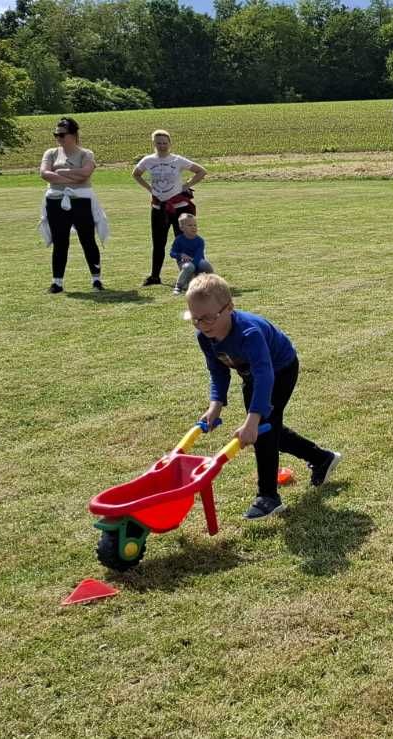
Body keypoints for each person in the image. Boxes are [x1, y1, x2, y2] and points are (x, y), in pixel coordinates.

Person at [186, 274, 342, 519]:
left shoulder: (249, 334)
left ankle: (268, 496)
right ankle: (321, 458)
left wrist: (252, 420)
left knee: (263, 429)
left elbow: (265, 376)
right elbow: (218, 371)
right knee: (266, 429)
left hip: (280, 370)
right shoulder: (205, 337)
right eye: (195, 319)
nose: (203, 325)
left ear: (229, 308)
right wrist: (215, 405)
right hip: (252, 376)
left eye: (208, 318)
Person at [38, 117, 110, 293]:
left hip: (81, 201)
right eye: (56, 134)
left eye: (62, 134)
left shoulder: (86, 154)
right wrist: (71, 178)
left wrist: (61, 172)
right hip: (55, 201)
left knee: (87, 240)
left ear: (74, 134)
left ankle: (96, 279)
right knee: (60, 241)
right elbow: (45, 174)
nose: (58, 138)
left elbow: (86, 174)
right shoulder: (51, 153)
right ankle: (57, 282)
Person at [134, 129, 206, 288]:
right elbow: (136, 174)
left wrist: (186, 185)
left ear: (170, 143)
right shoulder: (148, 160)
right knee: (158, 242)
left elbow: (201, 171)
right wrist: (149, 189)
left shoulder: (177, 160)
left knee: (184, 242)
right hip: (159, 207)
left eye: (165, 143)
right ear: (154, 143)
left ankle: (191, 275)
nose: (162, 146)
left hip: (179, 207)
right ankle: (154, 276)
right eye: (158, 143)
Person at [169, 213, 213, 295]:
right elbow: (172, 253)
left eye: (195, 225)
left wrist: (194, 266)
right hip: (184, 263)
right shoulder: (178, 240)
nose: (193, 227)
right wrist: (180, 255)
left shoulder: (200, 241)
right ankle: (178, 286)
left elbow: (199, 256)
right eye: (189, 225)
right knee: (189, 267)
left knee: (205, 264)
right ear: (182, 228)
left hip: (197, 261)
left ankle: (214, 283)